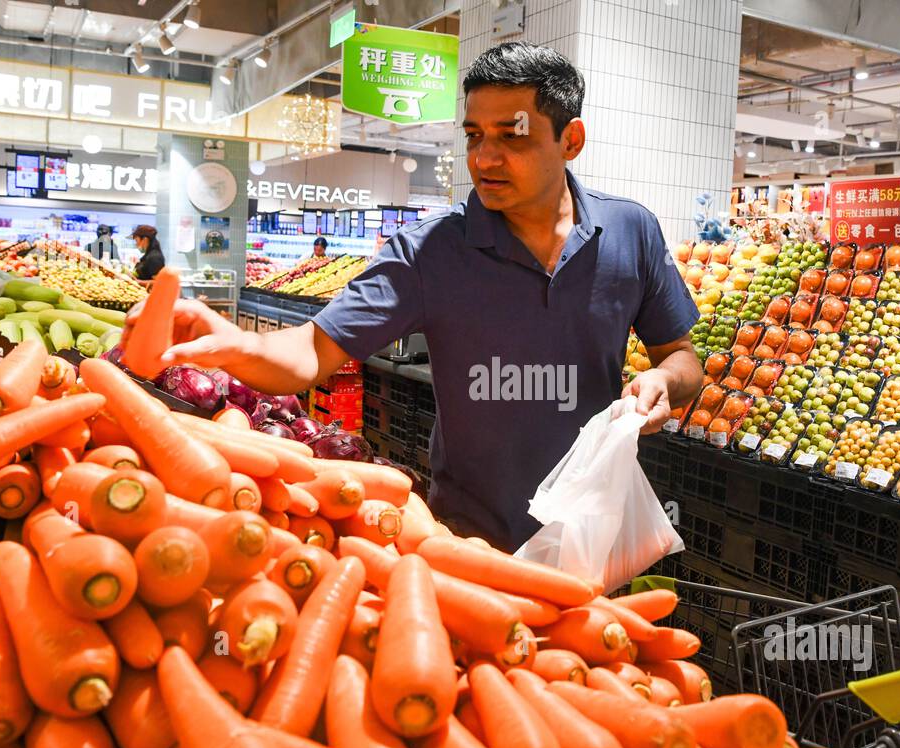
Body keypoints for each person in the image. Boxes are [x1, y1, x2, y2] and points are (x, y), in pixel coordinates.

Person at [122, 42, 702, 552]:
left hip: (596, 533)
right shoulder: (429, 251)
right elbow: (310, 353)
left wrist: (665, 383)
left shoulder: (632, 231)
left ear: (569, 139)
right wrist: (230, 344)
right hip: (469, 542)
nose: (484, 159)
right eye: (474, 136)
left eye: (511, 137)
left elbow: (682, 358)